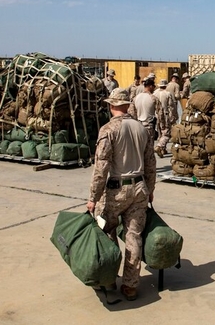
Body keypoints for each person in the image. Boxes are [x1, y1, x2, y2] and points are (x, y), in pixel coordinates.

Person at [86, 88, 156, 301]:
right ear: (127, 105)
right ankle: (130, 285)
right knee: (133, 236)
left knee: (106, 230)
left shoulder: (108, 129)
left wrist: (93, 197)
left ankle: (108, 278)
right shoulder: (142, 129)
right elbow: (151, 163)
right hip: (139, 189)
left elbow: (101, 167)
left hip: (116, 190)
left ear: (111, 105)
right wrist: (150, 190)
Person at [132, 78, 165, 152]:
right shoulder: (153, 98)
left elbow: (132, 113)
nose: (154, 88)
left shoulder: (136, 98)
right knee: (149, 150)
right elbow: (160, 114)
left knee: (139, 149)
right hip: (149, 126)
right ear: (150, 86)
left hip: (138, 126)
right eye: (153, 86)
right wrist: (162, 127)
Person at [153, 78, 177, 157]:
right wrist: (174, 116)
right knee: (166, 132)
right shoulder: (167, 94)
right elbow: (171, 106)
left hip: (156, 114)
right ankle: (160, 146)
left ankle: (163, 150)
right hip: (165, 114)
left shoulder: (154, 93)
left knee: (160, 132)